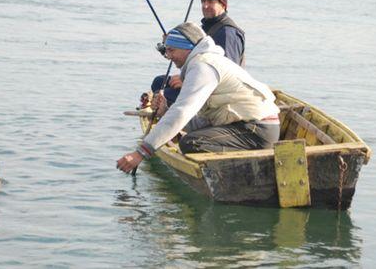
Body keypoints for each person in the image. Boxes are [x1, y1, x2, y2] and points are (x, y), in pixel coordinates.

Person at [117, 22, 280, 174]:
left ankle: (249, 167)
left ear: (187, 48)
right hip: (253, 129)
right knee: (193, 138)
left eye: (171, 50)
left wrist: (140, 153)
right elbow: (202, 121)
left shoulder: (203, 66)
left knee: (191, 143)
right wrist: (166, 112)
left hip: (256, 131)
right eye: (166, 51)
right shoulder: (204, 62)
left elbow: (182, 111)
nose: (168, 56)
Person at [151, 0, 245, 106]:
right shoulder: (205, 28)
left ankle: (175, 116)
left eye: (211, 1)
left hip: (220, 94)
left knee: (163, 93)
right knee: (158, 82)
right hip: (200, 78)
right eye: (203, 1)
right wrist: (170, 47)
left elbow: (225, 74)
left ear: (223, 4)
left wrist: (185, 82)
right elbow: (189, 57)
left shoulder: (228, 33)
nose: (205, 6)